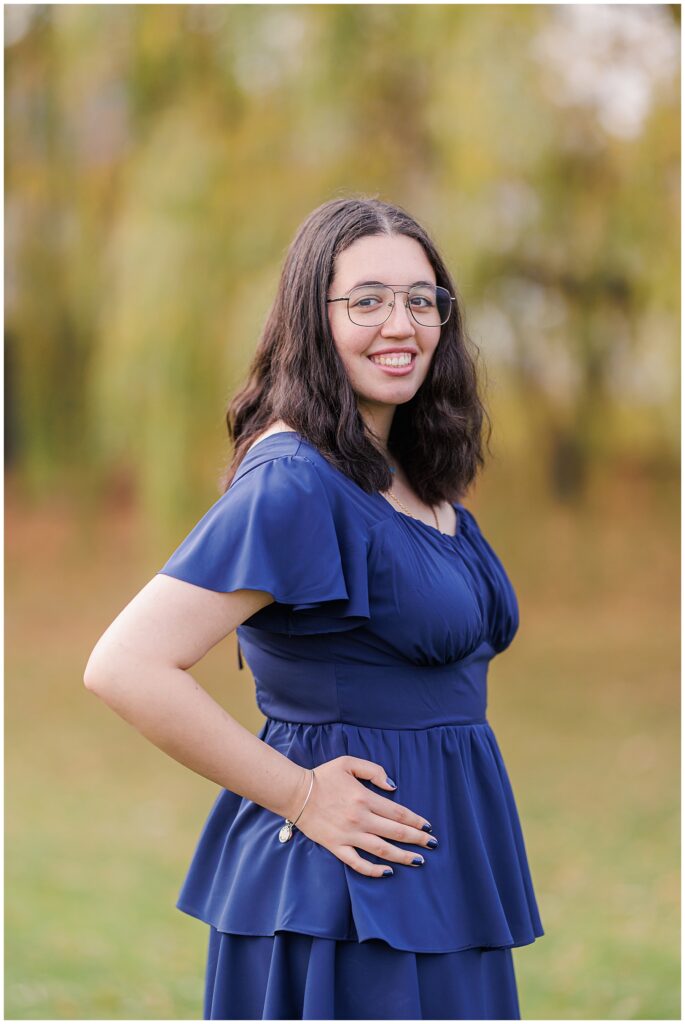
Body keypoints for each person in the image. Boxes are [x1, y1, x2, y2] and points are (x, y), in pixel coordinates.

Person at [84, 195, 544, 1020]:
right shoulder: (296, 479)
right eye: (365, 300)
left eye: (420, 299)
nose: (399, 324)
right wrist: (301, 796)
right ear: (311, 317)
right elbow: (125, 666)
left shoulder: (409, 468)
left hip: (447, 867)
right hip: (344, 895)